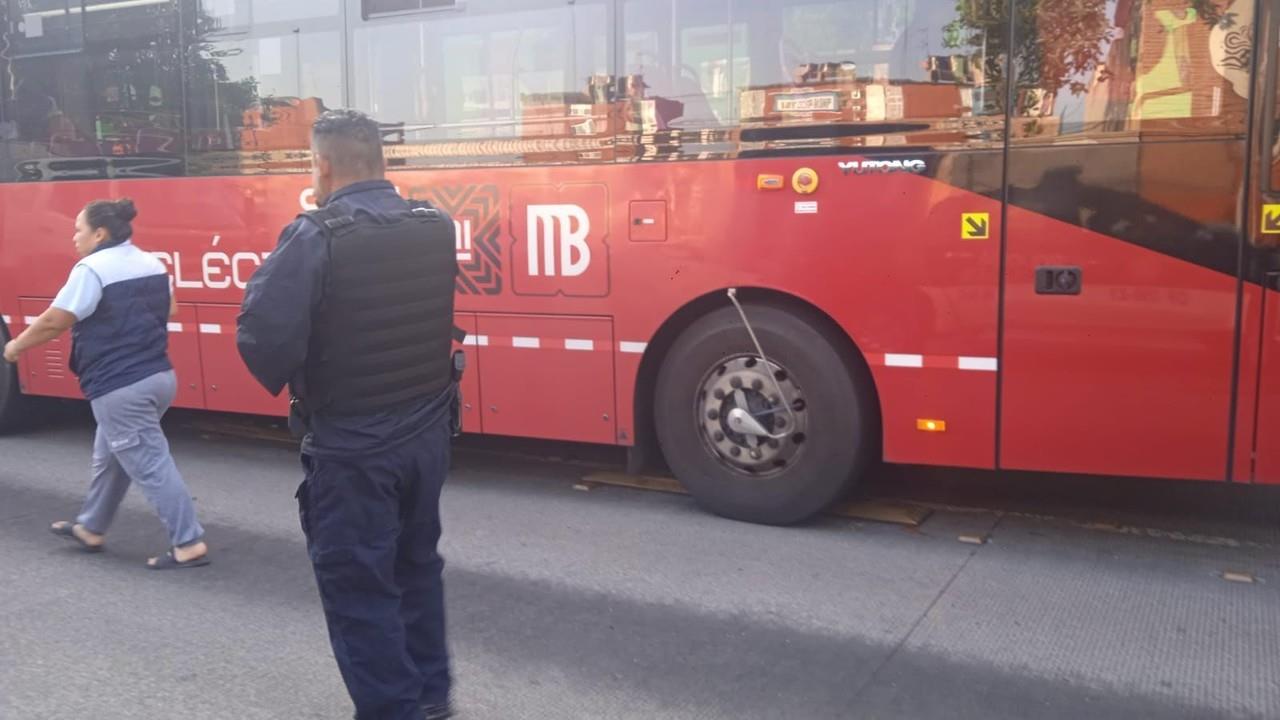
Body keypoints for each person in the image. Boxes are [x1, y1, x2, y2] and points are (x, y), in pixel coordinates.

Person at [236, 109, 458, 720]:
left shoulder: (315, 235)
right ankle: (431, 697)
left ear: (324, 166)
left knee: (359, 587)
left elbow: (262, 339)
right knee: (416, 566)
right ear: (381, 161)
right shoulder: (434, 223)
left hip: (355, 446)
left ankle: (394, 710)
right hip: (428, 432)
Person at [2, 199, 210, 570]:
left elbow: (55, 320)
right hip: (159, 376)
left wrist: (15, 346)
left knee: (149, 462)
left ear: (100, 234)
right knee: (111, 454)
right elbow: (171, 308)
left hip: (120, 384)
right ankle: (92, 527)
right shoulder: (150, 261)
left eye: (78, 229)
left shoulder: (92, 269)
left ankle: (188, 542)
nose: (74, 237)